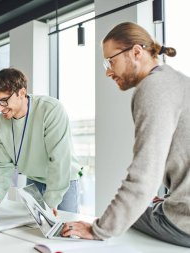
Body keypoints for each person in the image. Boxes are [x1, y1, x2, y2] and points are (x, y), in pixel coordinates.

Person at [61, 22, 190, 247]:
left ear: (136, 52)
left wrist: (99, 228)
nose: (108, 71)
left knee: (124, 215)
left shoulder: (153, 87)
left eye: (111, 61)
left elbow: (145, 175)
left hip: (184, 223)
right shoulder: (177, 81)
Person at [0, 68, 82, 214]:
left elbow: (60, 160)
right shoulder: (1, 123)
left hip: (64, 181)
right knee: (33, 230)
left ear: (21, 93)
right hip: (34, 181)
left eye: (4, 101)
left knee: (65, 232)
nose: (0, 109)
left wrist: (50, 202)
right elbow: (3, 164)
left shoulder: (50, 109)